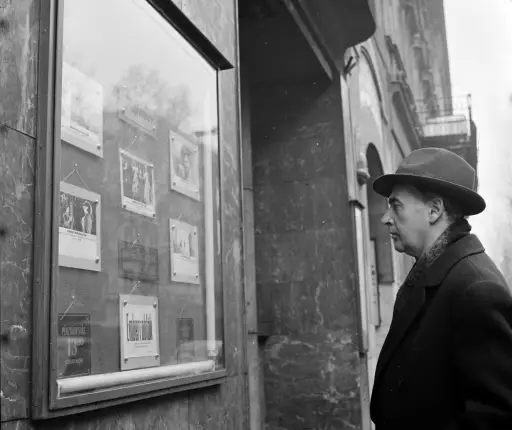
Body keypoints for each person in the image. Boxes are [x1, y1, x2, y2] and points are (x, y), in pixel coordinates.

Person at [370, 148, 512, 430]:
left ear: (434, 210)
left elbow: (495, 418)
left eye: (396, 205)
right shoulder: (438, 272)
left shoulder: (476, 289)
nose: (386, 218)